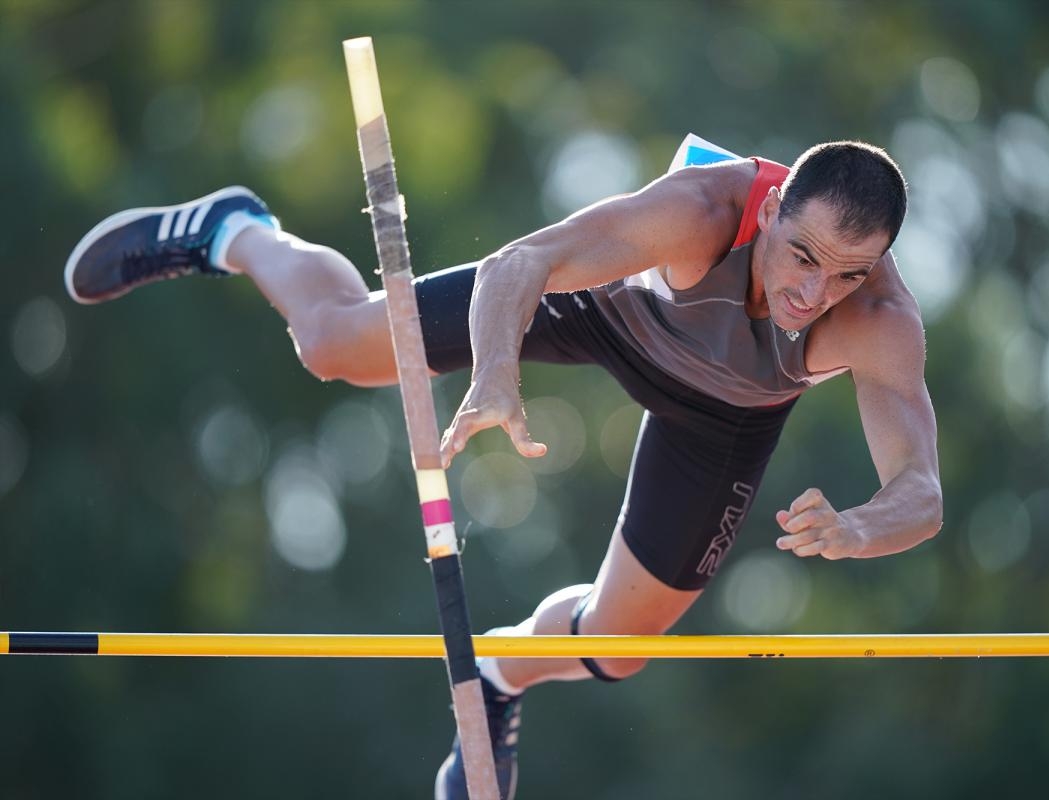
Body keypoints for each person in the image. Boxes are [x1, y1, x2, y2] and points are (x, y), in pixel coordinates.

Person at [64, 135, 943, 799]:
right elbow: (521, 262)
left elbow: (922, 492)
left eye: (844, 275)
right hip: (600, 314)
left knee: (620, 647)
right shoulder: (703, 212)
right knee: (336, 346)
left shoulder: (880, 318)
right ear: (778, 203)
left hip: (726, 415)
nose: (811, 292)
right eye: (801, 255)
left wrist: (861, 525)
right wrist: (492, 373)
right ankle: (236, 232)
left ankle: (500, 676)